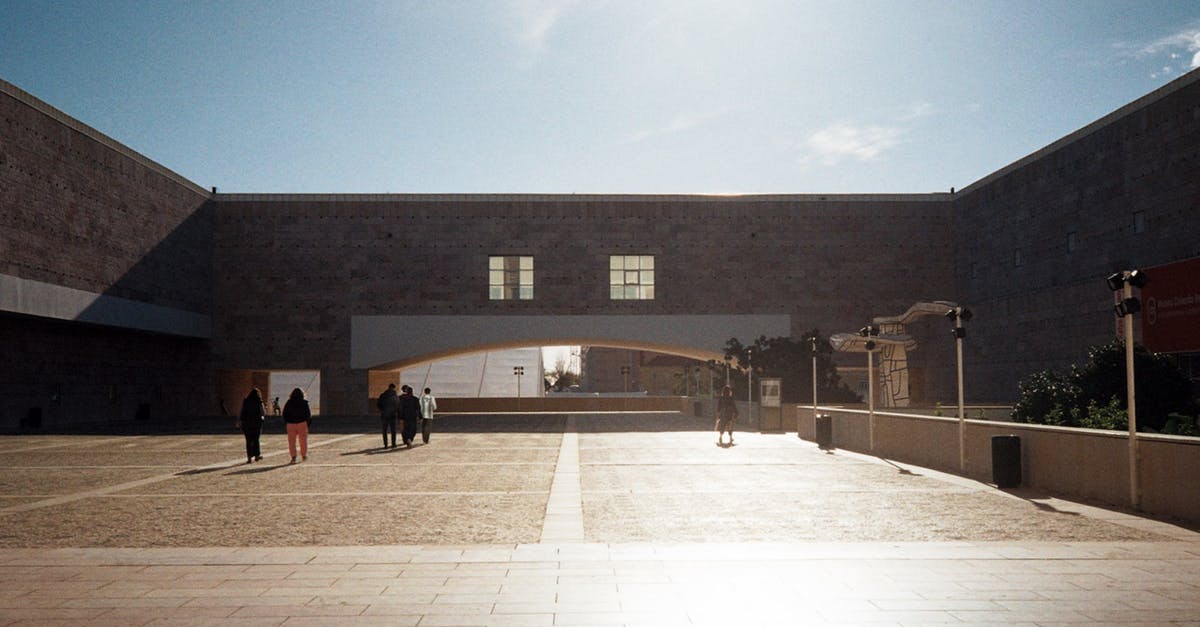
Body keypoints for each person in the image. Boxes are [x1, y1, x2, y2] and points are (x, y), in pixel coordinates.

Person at [282, 387, 312, 463]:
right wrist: (307, 423)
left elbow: (284, 413)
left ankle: (293, 457)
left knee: (291, 441)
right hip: (302, 423)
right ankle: (304, 455)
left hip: (290, 424)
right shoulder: (304, 402)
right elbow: (308, 415)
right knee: (303, 441)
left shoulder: (289, 402)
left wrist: (287, 421)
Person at [238, 388, 266, 463]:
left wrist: (240, 420)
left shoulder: (246, 401)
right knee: (256, 440)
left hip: (246, 424)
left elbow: (242, 411)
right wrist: (262, 419)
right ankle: (257, 455)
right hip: (257, 423)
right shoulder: (259, 401)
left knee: (248, 441)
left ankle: (249, 457)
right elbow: (263, 412)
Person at [377, 383, 399, 448]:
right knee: (393, 431)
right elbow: (398, 405)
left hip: (384, 415)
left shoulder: (383, 395)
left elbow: (378, 405)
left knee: (384, 431)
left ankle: (386, 444)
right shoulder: (395, 396)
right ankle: (393, 444)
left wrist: (382, 411)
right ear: (393, 388)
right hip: (392, 415)